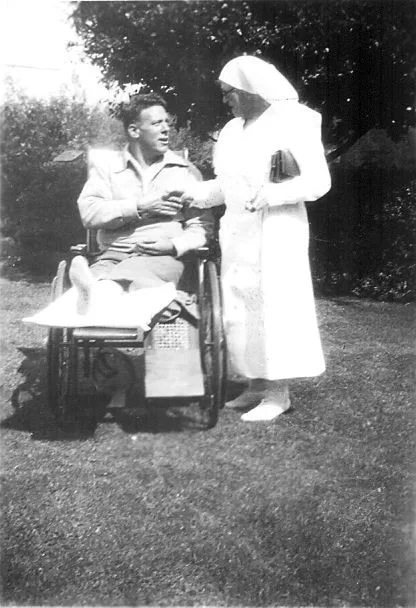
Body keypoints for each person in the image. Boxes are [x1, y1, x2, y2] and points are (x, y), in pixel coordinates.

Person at [180, 55, 331, 422]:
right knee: (240, 310)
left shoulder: (293, 123)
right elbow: (226, 185)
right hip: (239, 232)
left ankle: (279, 394)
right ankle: (255, 385)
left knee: (273, 309)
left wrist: (274, 195)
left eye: (229, 92)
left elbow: (318, 182)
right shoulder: (231, 131)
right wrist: (196, 195)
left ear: (250, 90)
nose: (225, 99)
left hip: (277, 230)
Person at [69, 92, 213, 320]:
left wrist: (174, 245)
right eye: (157, 123)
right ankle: (97, 288)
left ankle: (96, 291)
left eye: (167, 122)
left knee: (122, 277)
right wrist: (139, 207)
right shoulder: (107, 170)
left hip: (163, 258)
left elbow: (202, 227)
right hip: (112, 254)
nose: (167, 129)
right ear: (135, 131)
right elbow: (89, 213)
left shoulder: (185, 171)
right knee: (105, 273)